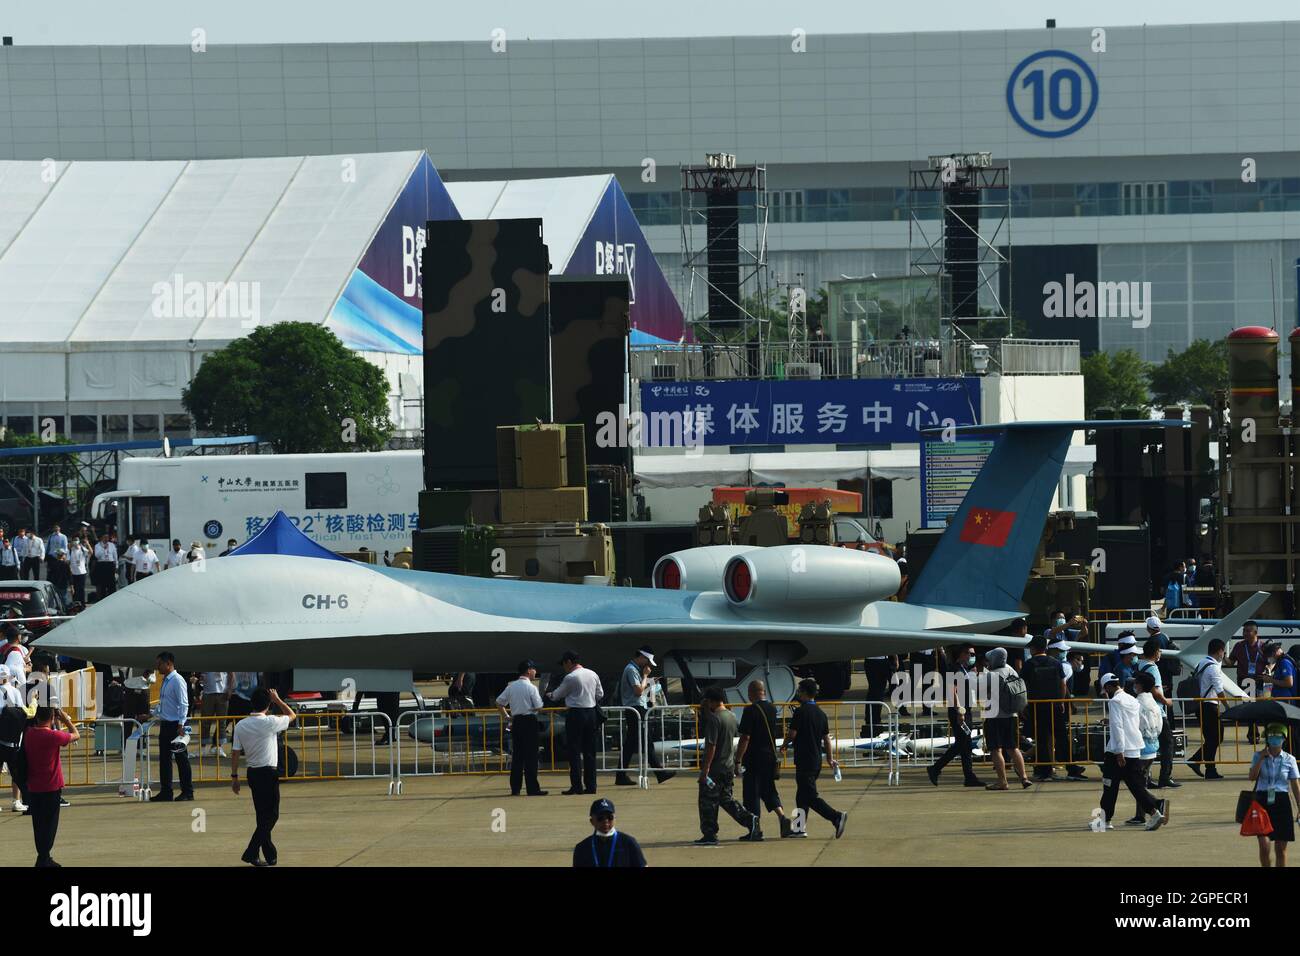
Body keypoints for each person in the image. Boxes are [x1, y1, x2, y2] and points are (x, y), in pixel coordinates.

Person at [230, 686, 294, 866]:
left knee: (262, 815)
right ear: (267, 704)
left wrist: (234, 776)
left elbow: (235, 752)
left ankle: (270, 854)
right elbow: (292, 715)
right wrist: (278, 700)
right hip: (268, 772)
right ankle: (251, 852)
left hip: (253, 773)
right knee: (272, 815)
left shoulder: (241, 725)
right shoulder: (271, 722)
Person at [1097, 672, 1167, 831]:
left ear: (1108, 686)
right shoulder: (1131, 699)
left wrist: (1119, 751)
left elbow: (1118, 727)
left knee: (1109, 786)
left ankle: (1105, 820)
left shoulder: (1114, 701)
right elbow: (1130, 722)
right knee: (1136, 786)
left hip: (1118, 751)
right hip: (1135, 748)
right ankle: (1155, 812)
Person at [694, 685, 759, 845]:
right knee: (726, 799)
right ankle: (749, 819)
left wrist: (705, 770)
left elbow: (711, 746)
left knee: (707, 802)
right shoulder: (731, 716)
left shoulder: (714, 719)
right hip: (728, 766)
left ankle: (709, 833)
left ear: (710, 701)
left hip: (715, 767)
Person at [782, 677, 847, 837]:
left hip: (804, 760)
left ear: (804, 692)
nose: (797, 693)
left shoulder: (800, 711)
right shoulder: (821, 713)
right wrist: (830, 759)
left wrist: (784, 744)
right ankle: (799, 828)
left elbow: (792, 734)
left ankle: (836, 816)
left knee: (810, 796)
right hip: (816, 759)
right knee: (802, 795)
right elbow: (826, 739)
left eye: (799, 690)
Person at [1021, 634, 1085, 782]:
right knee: (1062, 738)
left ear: (1034, 648)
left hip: (1037, 706)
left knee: (1042, 739)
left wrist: (1024, 705)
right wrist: (1061, 702)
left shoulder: (1029, 664)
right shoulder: (1056, 663)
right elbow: (1063, 684)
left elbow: (1023, 686)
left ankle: (1045, 771)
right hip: (1055, 706)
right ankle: (1072, 769)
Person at [23, 705, 79, 866]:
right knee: (50, 825)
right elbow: (75, 735)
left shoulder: (29, 733)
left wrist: (56, 719)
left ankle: (43, 857)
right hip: (51, 786)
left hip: (34, 785)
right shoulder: (52, 736)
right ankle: (44, 858)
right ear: (52, 718)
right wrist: (66, 720)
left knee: (38, 824)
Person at [735, 679, 791, 838]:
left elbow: (745, 737)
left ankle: (755, 830)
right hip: (770, 758)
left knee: (751, 794)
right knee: (769, 790)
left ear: (752, 692)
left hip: (754, 758)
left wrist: (738, 760)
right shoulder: (773, 709)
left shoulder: (750, 710)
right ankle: (782, 817)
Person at [614, 645, 674, 787]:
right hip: (635, 709)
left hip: (636, 708)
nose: (647, 665)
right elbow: (638, 691)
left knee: (632, 743)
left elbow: (638, 689)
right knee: (645, 741)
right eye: (647, 661)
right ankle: (659, 773)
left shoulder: (632, 669)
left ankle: (621, 775)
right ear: (641, 657)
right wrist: (646, 676)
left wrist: (649, 680)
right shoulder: (631, 669)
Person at [545, 650, 603, 795]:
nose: (563, 667)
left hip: (576, 714)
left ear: (569, 662)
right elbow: (600, 694)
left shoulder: (570, 677)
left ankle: (576, 786)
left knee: (574, 751)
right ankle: (591, 786)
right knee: (590, 752)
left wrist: (550, 695)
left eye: (564, 663)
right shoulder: (592, 673)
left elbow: (557, 695)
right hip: (591, 713)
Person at [927, 644, 984, 788]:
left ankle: (969, 776)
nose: (972, 657)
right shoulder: (954, 669)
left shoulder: (965, 670)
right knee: (962, 743)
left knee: (965, 745)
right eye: (970, 654)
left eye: (973, 654)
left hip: (966, 710)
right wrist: (959, 710)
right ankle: (936, 768)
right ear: (961, 654)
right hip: (959, 711)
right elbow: (953, 691)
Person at [1247, 723, 1300, 867]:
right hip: (1262, 801)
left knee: (1280, 849)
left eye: (1278, 736)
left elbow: (1295, 784)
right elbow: (1252, 777)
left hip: (1282, 801)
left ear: (1284, 738)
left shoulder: (1290, 759)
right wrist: (1261, 758)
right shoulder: (1258, 755)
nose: (1275, 739)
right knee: (1264, 846)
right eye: (1271, 736)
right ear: (1266, 738)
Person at [981, 647, 1033, 791]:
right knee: (1013, 748)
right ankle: (1024, 778)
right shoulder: (1010, 669)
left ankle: (1002, 781)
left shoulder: (990, 675)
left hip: (994, 717)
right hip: (1012, 716)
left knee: (996, 750)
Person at [496, 659, 547, 796]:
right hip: (529, 721)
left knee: (518, 756)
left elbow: (499, 702)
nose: (535, 672)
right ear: (529, 670)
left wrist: (507, 716)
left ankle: (515, 788)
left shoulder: (511, 686)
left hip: (516, 721)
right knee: (531, 756)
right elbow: (539, 706)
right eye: (534, 669)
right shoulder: (531, 688)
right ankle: (532, 788)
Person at [149, 651, 194, 801]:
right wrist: (151, 715)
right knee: (165, 759)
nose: (157, 667)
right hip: (166, 724)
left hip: (176, 725)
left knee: (181, 759)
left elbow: (184, 704)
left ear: (168, 664)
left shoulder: (177, 680)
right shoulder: (166, 680)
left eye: (159, 664)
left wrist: (181, 724)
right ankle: (166, 791)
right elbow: (163, 703)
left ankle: (188, 792)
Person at [1136, 637, 1179, 789]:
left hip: (1142, 709)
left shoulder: (1139, 665)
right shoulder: (1152, 667)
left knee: (1146, 745)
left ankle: (1146, 777)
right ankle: (1165, 776)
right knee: (1168, 743)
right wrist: (1165, 699)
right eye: (1159, 650)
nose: (1160, 653)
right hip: (1156, 711)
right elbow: (1153, 689)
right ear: (1155, 652)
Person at [1123, 671, 1164, 826]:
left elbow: (1134, 726)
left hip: (1139, 749)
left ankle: (1156, 804)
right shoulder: (1154, 703)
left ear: (1139, 685)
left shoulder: (1136, 703)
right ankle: (1140, 814)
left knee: (1137, 785)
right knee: (1141, 783)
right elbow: (1159, 727)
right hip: (1153, 747)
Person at [1187, 638, 1229, 780]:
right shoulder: (1213, 667)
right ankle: (1201, 764)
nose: (1223, 655)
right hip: (1210, 706)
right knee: (1216, 738)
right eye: (1223, 651)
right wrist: (1228, 707)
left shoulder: (1202, 663)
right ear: (1219, 651)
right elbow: (1219, 690)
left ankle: (1204, 765)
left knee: (1212, 738)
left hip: (1201, 706)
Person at [0, 664, 35, 812]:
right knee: (17, 773)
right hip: (14, 740)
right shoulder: (14, 691)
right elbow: (27, 713)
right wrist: (34, 701)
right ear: (8, 677)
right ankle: (16, 800)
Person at [572, 798, 646, 867]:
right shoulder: (582, 848)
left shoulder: (628, 843)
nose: (606, 821)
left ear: (615, 819)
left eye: (610, 817)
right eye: (600, 818)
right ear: (592, 821)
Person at [1230, 621, 1265, 741]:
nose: (1244, 633)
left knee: (1259, 708)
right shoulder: (1239, 646)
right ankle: (1253, 733)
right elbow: (1230, 662)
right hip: (1244, 681)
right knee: (1249, 707)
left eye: (1247, 631)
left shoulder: (1263, 646)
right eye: (1244, 630)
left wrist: (1269, 671)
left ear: (1255, 632)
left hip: (1259, 681)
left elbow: (1271, 662)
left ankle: (1257, 732)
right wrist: (1222, 655)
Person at [200, 669, 233, 756]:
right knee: (205, 721)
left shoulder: (224, 657)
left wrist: (230, 689)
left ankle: (218, 747)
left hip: (223, 692)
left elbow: (231, 673)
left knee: (222, 721)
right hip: (208, 692)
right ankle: (202, 748)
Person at [91, 533, 117, 600]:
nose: (106, 539)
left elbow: (115, 556)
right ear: (101, 538)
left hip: (110, 564)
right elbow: (97, 556)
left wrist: (116, 565)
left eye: (107, 537)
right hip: (101, 565)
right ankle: (103, 598)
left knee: (111, 583)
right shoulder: (97, 546)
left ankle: (113, 598)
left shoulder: (112, 545)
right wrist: (103, 549)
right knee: (102, 584)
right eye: (104, 537)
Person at [67, 536, 88, 606]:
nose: (75, 542)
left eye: (77, 540)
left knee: (81, 589)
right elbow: (68, 560)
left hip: (82, 572)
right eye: (74, 540)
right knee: (75, 589)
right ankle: (75, 604)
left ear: (79, 541)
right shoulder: (70, 550)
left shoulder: (82, 548)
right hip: (74, 573)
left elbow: (91, 552)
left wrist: (87, 544)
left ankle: (82, 603)